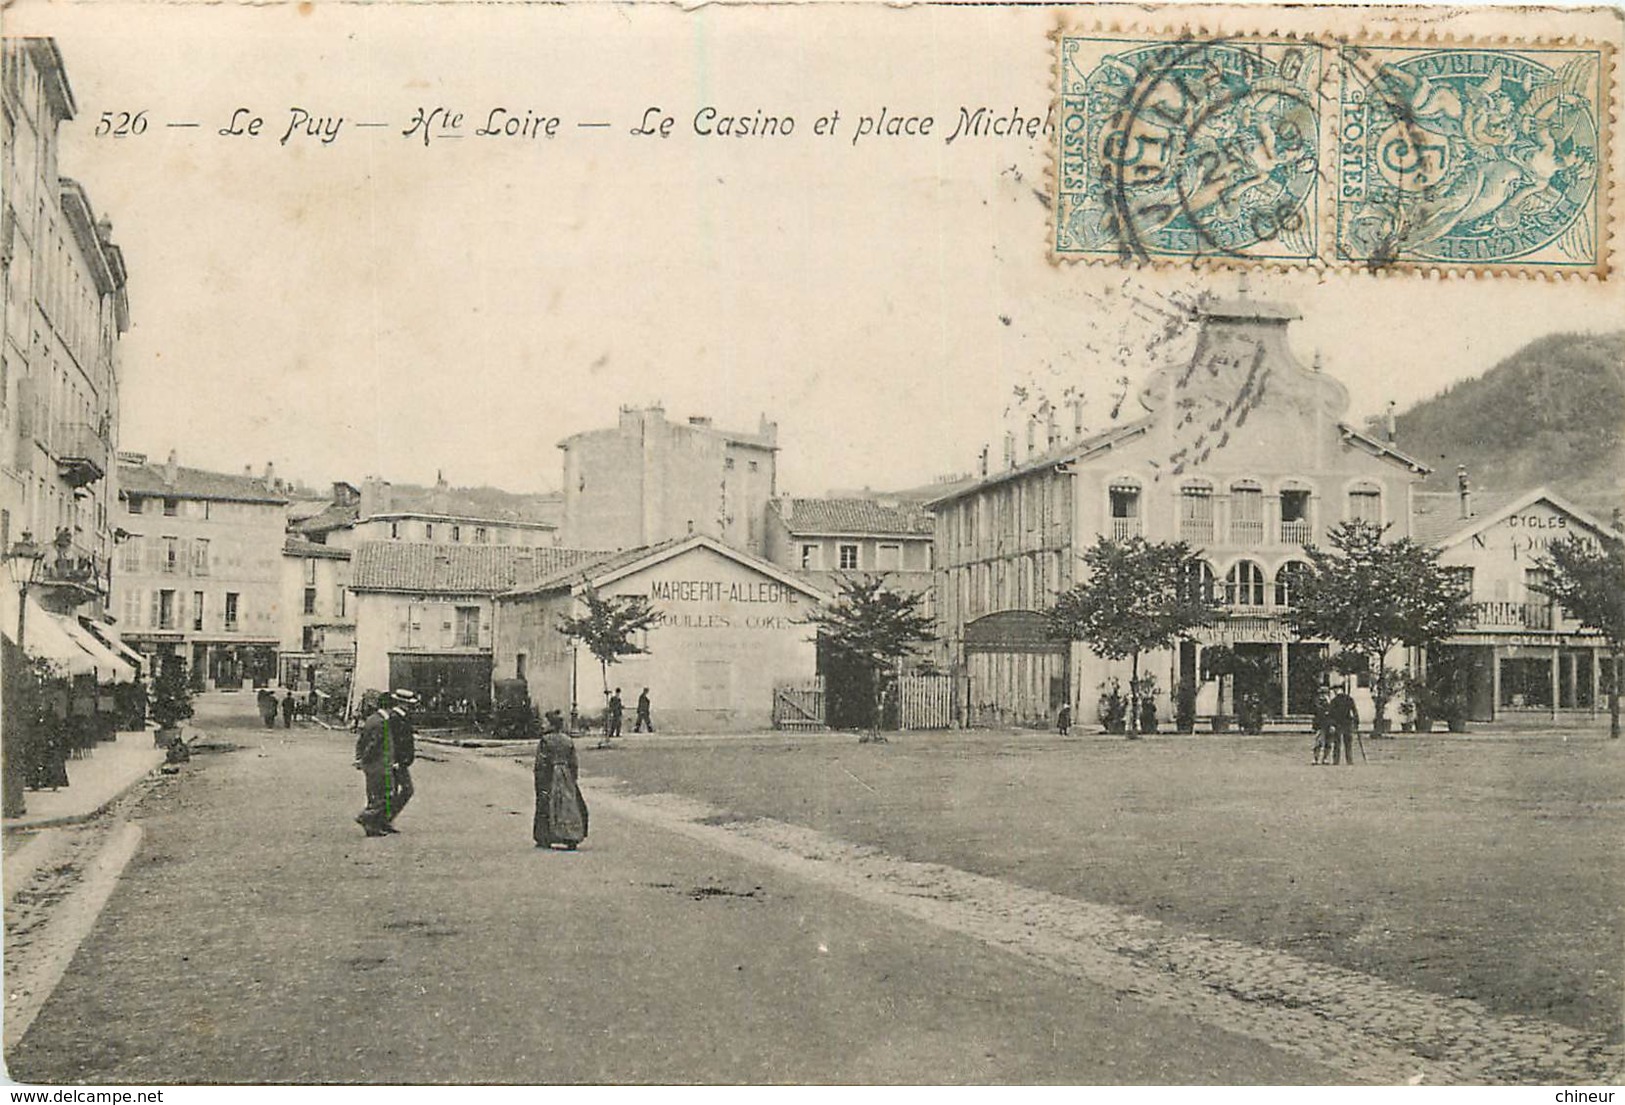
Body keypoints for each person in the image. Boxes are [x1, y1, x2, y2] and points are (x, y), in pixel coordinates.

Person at [534, 709, 588, 849]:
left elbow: (541, 762)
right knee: (569, 804)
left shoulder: (545, 740)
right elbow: (574, 762)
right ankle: (572, 837)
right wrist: (573, 778)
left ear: (551, 724)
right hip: (566, 774)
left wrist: (540, 779)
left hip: (551, 773)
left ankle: (545, 837)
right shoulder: (567, 740)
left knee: (547, 803)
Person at [353, 692, 396, 836]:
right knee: (385, 795)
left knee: (374, 796)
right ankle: (365, 817)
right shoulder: (382, 723)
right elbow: (373, 745)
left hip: (372, 766)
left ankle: (372, 827)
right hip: (379, 764)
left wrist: (359, 758)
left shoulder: (371, 719)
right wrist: (364, 759)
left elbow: (361, 741)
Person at [386, 690, 418, 828]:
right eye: (409, 704)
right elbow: (392, 741)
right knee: (404, 790)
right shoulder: (394, 718)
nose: (411, 707)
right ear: (403, 703)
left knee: (400, 790)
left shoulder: (402, 717)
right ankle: (382, 819)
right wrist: (394, 760)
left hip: (402, 761)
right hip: (397, 761)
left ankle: (386, 819)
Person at [1327, 686, 1359, 766]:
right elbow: (1355, 712)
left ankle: (1338, 760)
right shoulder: (1348, 699)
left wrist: (1332, 724)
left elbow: (1330, 714)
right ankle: (1347, 760)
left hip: (1342, 723)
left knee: (1339, 743)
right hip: (1343, 723)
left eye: (1336, 690)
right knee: (1345, 743)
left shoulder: (1335, 701)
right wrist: (1356, 722)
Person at [1311, 686, 1333, 765]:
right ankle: (1315, 758)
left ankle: (1325, 758)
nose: (1323, 696)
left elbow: (1332, 713)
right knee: (1318, 742)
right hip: (1320, 725)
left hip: (1328, 724)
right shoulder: (1317, 702)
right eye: (1321, 694)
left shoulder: (1330, 702)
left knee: (1328, 742)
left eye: (1324, 693)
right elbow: (1317, 711)